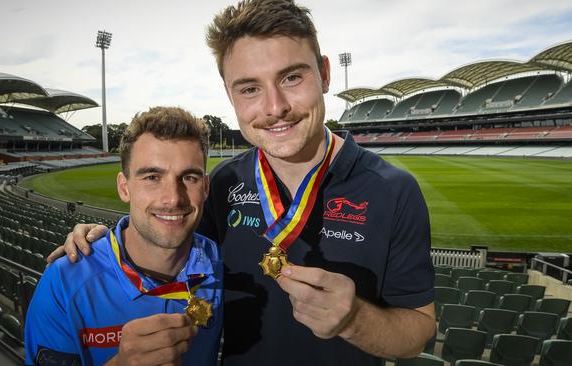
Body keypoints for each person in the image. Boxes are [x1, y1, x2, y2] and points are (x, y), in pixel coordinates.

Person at [50, 1, 435, 365]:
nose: (274, 107)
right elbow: (169, 246)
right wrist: (106, 239)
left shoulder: (394, 190)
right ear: (230, 95)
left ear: (325, 74)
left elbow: (417, 332)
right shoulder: (223, 182)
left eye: (292, 77)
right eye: (250, 88)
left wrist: (355, 320)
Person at [26, 107, 223, 366]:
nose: (173, 198)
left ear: (206, 187)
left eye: (189, 177)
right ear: (124, 187)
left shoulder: (220, 262)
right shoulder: (63, 282)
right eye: (152, 177)